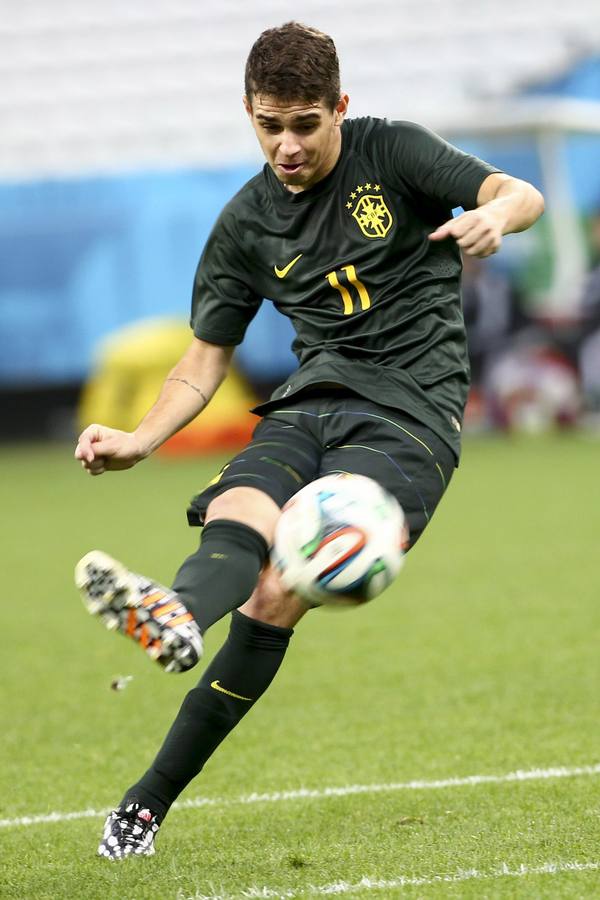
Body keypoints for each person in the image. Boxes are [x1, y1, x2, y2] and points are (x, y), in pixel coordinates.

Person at [74, 21, 544, 860]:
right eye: (268, 125)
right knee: (240, 506)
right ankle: (176, 616)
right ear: (249, 115)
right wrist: (142, 439)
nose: (285, 146)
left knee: (277, 592)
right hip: (311, 397)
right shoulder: (245, 223)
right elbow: (205, 355)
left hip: (410, 413)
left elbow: (516, 191)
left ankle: (145, 799)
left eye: (303, 124)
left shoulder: (392, 152)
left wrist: (498, 215)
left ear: (339, 109)